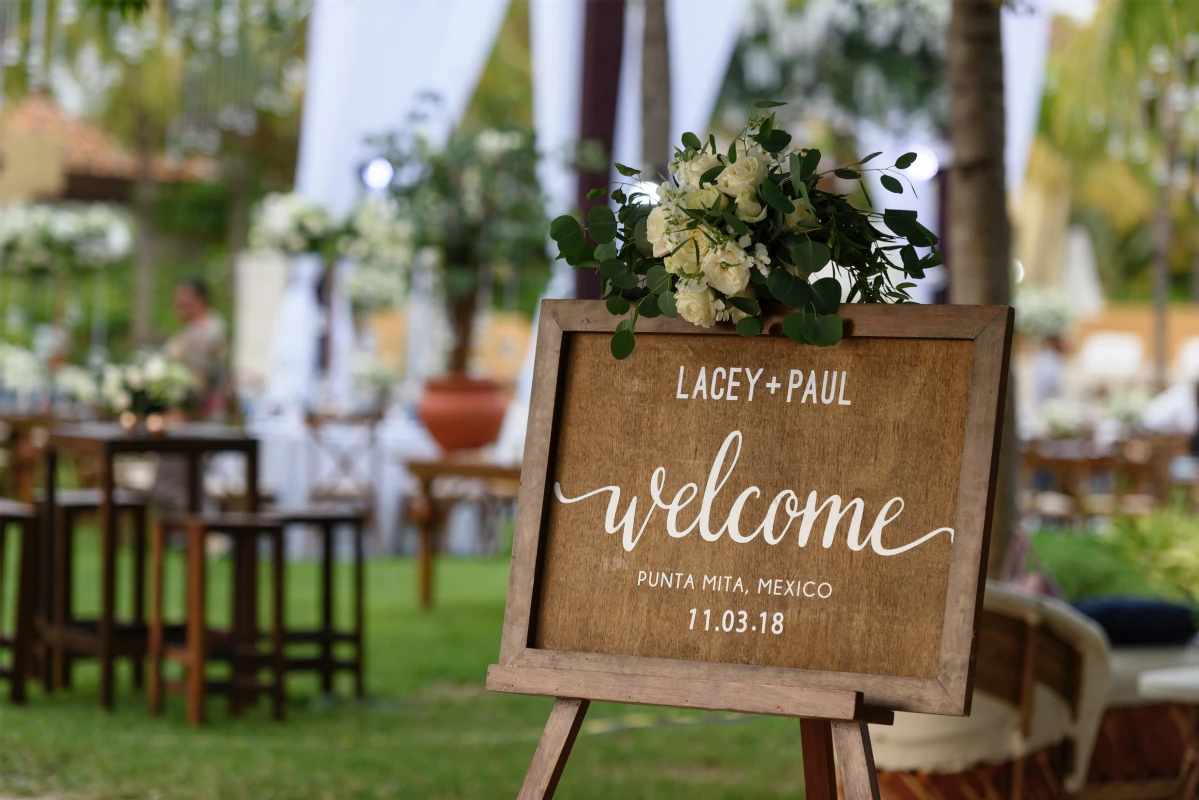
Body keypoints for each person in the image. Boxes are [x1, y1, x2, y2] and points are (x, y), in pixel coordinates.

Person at [164, 279, 229, 420]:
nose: (178, 305)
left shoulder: (209, 330)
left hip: (202, 416)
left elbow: (198, 380)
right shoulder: (192, 329)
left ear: (201, 301)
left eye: (184, 303)